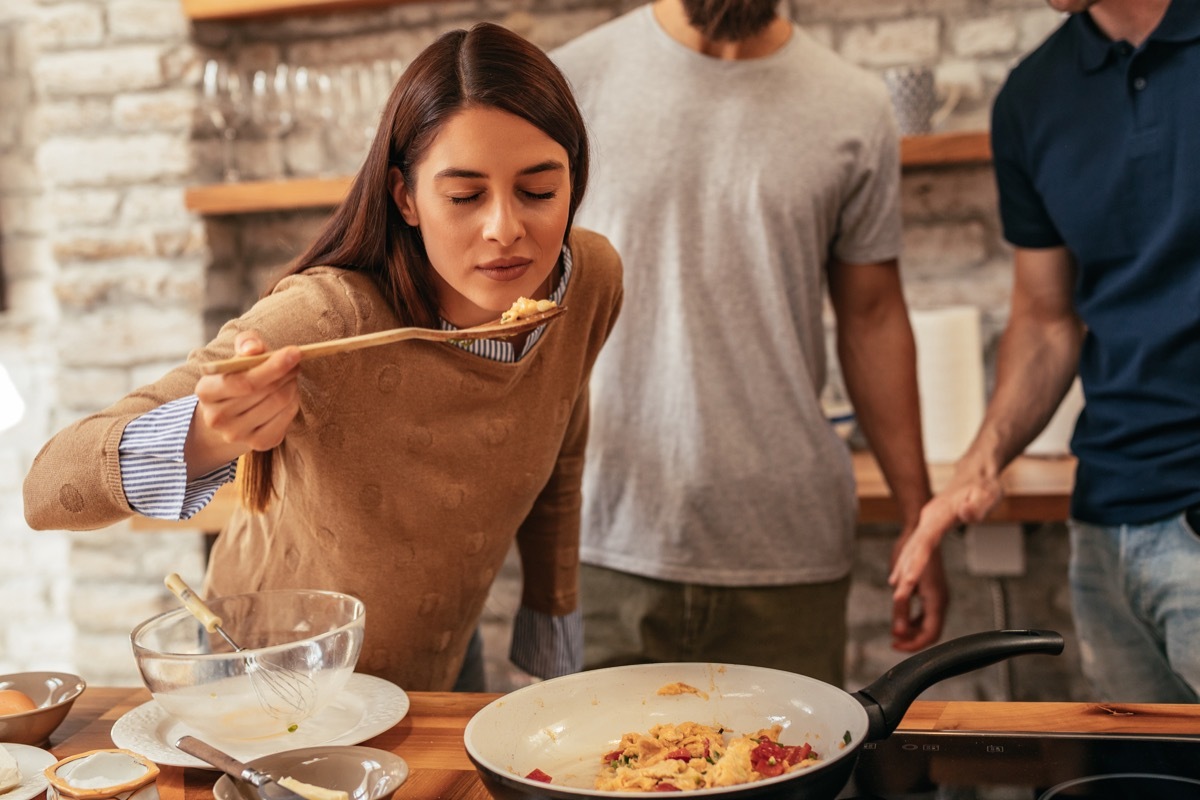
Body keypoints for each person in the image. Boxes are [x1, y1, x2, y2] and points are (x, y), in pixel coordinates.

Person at [23, 22, 623, 693]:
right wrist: (208, 435)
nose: (506, 228)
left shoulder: (590, 279)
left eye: (540, 190)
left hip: (439, 663)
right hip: (261, 671)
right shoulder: (326, 316)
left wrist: (550, 656)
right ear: (405, 197)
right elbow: (47, 489)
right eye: (464, 196)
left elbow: (559, 443)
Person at [551, 0, 947, 685]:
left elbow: (873, 317)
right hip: (602, 547)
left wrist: (920, 515)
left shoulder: (853, 104)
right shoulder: (567, 86)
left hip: (787, 551)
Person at [890, 0, 1200, 703]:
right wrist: (981, 462)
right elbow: (1046, 319)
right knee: (1137, 784)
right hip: (1104, 527)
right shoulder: (1033, 96)